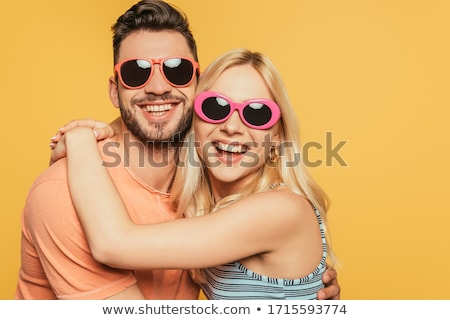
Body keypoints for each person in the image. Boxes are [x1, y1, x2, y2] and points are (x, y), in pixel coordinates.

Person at [16, 0, 340, 300]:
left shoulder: (268, 208)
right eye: (216, 107)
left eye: (257, 113)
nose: (158, 87)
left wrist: (81, 137)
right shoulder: (199, 195)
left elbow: (115, 243)